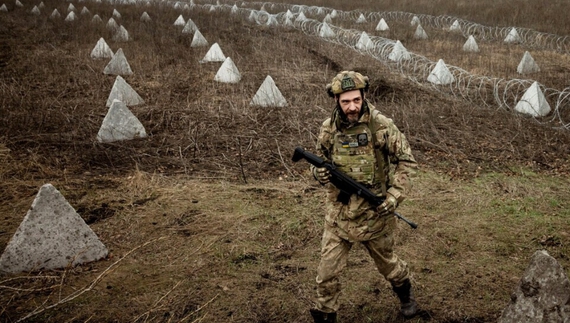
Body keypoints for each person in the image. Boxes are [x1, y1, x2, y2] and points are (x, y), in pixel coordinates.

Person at [309, 71, 419, 323]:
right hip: (339, 216)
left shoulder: (381, 126)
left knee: (390, 266)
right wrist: (319, 172)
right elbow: (317, 160)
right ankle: (326, 315)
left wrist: (394, 196)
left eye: (356, 100)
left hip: (375, 214)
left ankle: (406, 296)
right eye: (345, 101)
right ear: (336, 100)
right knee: (326, 274)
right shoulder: (328, 129)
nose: (352, 107)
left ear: (363, 96)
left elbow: (407, 162)